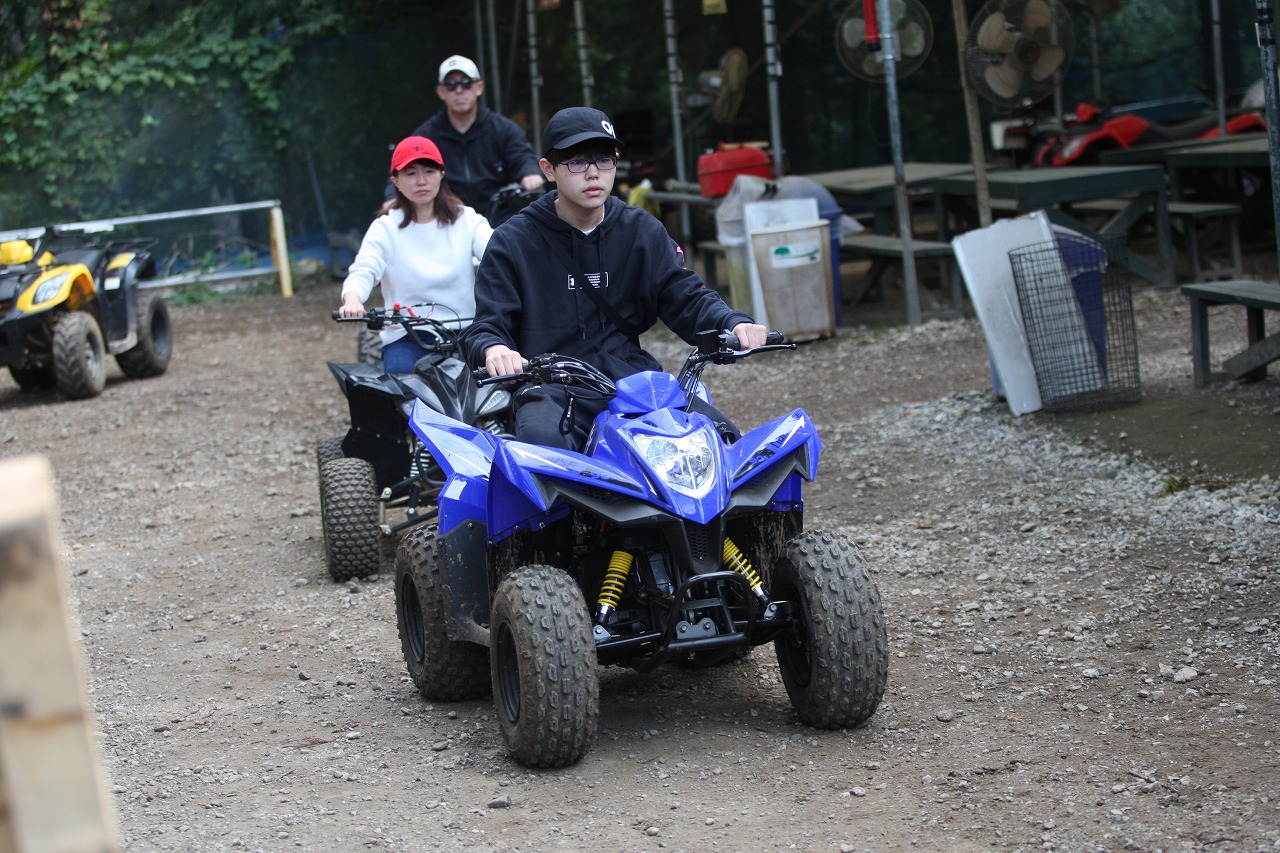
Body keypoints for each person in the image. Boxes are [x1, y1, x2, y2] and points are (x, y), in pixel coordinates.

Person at [461, 106, 767, 451]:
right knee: (543, 447)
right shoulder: (512, 241)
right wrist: (495, 348)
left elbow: (685, 295)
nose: (593, 174)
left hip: (633, 380)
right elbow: (486, 324)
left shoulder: (641, 230)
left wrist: (732, 322)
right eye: (576, 162)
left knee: (720, 438)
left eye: (604, 160)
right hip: (551, 387)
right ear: (548, 169)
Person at [341, 136, 493, 375]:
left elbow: (498, 255)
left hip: (466, 330)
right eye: (411, 173)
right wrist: (352, 299)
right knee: (400, 386)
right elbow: (364, 269)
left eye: (429, 171)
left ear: (442, 175)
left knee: (501, 383)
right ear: (396, 181)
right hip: (407, 334)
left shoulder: (467, 219)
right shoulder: (385, 228)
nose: (421, 181)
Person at [385, 55, 543, 215]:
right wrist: (392, 197)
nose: (459, 90)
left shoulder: (503, 129)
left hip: (500, 218)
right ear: (441, 92)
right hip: (447, 219)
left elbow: (523, 156)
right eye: (451, 85)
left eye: (466, 83)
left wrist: (530, 174)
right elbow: (404, 165)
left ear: (479, 87)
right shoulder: (426, 135)